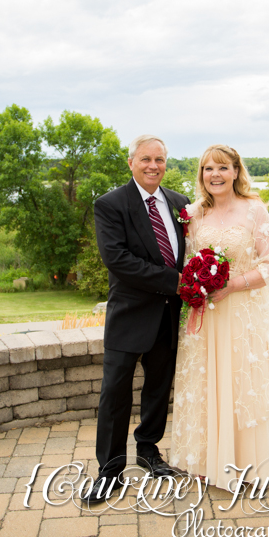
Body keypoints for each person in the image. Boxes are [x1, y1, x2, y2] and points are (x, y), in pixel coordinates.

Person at [170, 144, 269, 490]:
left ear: (236, 172)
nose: (215, 175)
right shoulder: (194, 215)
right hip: (205, 316)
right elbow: (185, 262)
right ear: (201, 175)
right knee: (206, 383)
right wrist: (195, 287)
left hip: (241, 315)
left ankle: (246, 462)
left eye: (223, 168)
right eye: (208, 169)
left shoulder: (254, 210)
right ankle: (207, 460)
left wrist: (233, 284)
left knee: (241, 383)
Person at [85, 134, 189, 506]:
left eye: (159, 159)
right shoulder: (111, 204)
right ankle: (109, 472)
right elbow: (118, 260)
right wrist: (178, 282)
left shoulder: (180, 204)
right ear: (131, 162)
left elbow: (190, 252)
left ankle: (148, 450)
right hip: (129, 318)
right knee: (114, 394)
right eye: (145, 159)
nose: (153, 166)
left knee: (159, 388)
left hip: (168, 317)